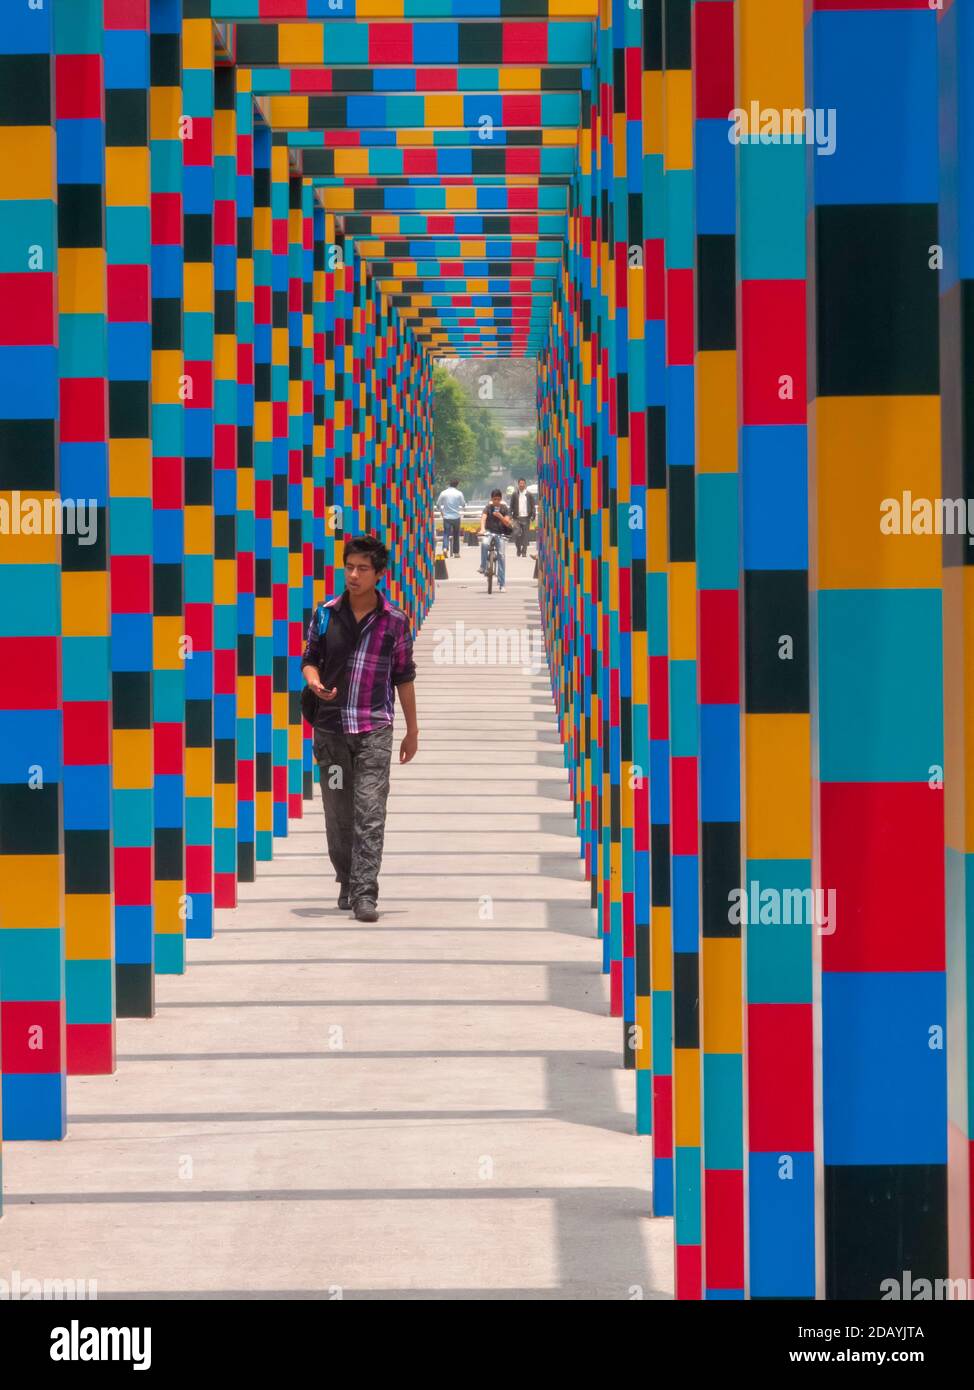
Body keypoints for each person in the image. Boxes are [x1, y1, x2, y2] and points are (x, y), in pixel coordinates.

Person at [301, 535, 418, 923]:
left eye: (362, 569)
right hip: (331, 733)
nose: (353, 575)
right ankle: (346, 879)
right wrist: (314, 681)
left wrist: (412, 730)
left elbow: (404, 676)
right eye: (349, 567)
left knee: (370, 810)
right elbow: (309, 658)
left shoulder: (395, 622)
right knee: (337, 811)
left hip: (374, 730)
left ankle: (365, 892)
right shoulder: (325, 613)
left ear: (378, 575)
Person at [479, 488, 513, 591]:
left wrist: (500, 516)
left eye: (498, 499)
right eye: (494, 499)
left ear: (501, 499)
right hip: (489, 532)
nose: (496, 501)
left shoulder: (504, 508)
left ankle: (502, 584)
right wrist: (482, 529)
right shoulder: (488, 508)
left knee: (501, 555)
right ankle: (483, 566)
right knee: (484, 544)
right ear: (491, 499)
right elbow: (483, 518)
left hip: (500, 533)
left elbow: (507, 523)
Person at [436, 479, 466, 557]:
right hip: (456, 516)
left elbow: (438, 504)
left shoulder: (444, 493)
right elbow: (463, 504)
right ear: (457, 484)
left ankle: (445, 548)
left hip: (446, 517)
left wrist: (441, 511)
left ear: (449, 484)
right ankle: (456, 553)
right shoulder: (459, 493)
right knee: (456, 534)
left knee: (446, 533)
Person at [509, 477, 536, 557]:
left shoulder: (529, 494)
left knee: (525, 535)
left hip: (526, 517)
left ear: (525, 484)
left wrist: (533, 515)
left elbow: (532, 506)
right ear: (518, 484)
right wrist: (510, 515)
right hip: (516, 517)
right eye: (520, 483)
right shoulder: (514, 494)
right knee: (516, 533)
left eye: (523, 483)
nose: (521, 485)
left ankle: (524, 552)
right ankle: (518, 549)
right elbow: (511, 506)